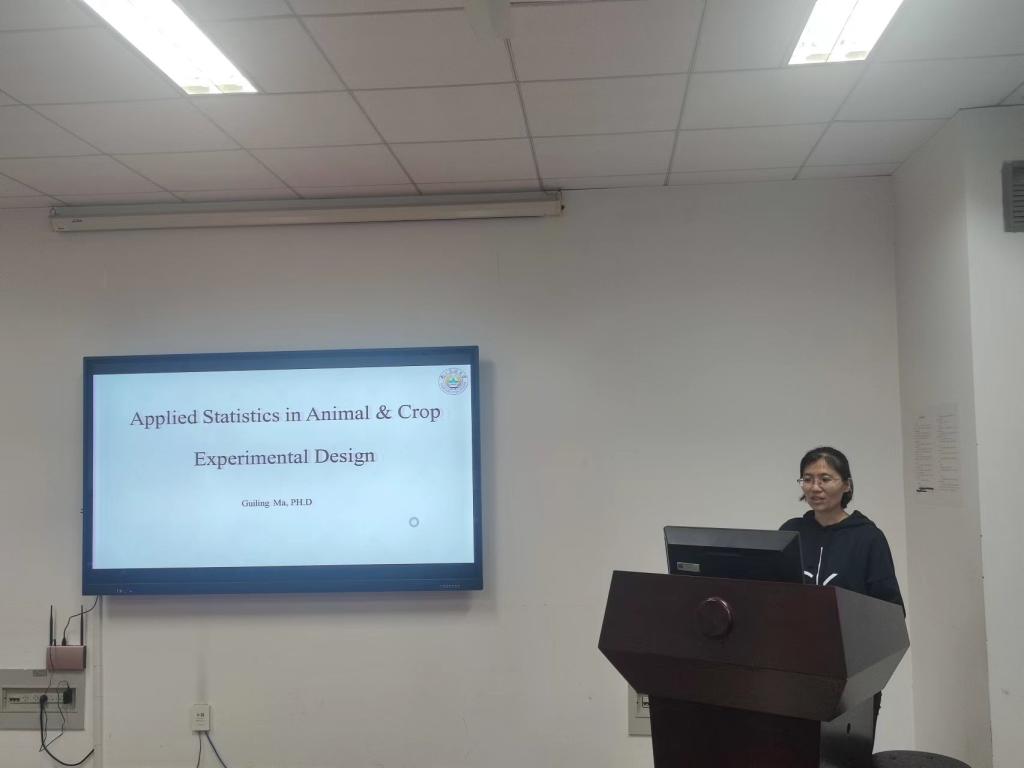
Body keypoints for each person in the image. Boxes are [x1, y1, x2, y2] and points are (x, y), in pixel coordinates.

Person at [780, 446, 905, 736]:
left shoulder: (868, 538)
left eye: (825, 479)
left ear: (846, 485)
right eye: (807, 479)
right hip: (797, 667)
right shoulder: (791, 531)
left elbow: (890, 611)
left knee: (843, 751)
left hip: (850, 672)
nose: (815, 487)